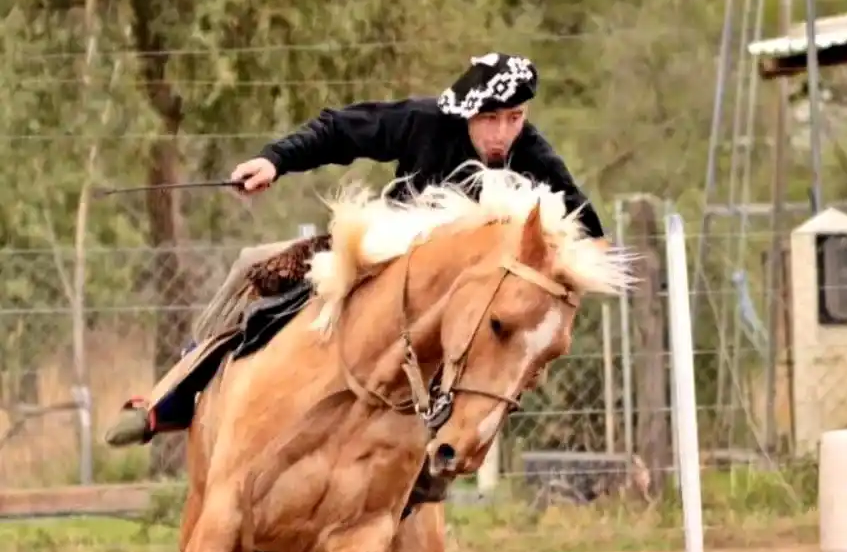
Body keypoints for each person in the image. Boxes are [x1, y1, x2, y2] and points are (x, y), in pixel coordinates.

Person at [104, 51, 606, 448]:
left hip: (455, 309)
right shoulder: (423, 121)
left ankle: (445, 449)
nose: (502, 134)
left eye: (514, 118)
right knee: (254, 265)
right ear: (468, 111)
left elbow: (584, 222)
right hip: (384, 254)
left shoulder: (533, 153)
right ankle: (175, 395)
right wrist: (274, 161)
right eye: (490, 118)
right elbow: (341, 129)